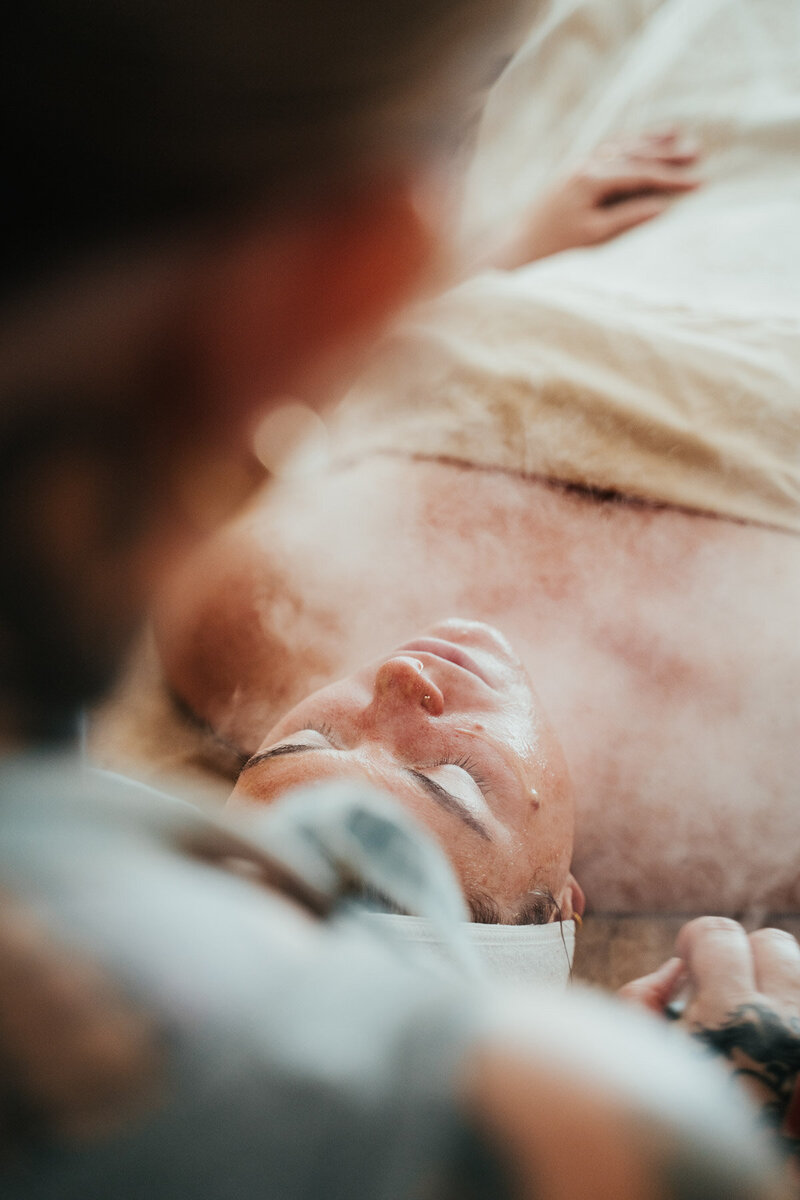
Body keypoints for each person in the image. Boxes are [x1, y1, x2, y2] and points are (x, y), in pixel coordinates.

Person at [1, 1, 797, 1198]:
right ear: (561, 910)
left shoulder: (219, 635)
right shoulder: (571, 1120)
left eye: (309, 739)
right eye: (453, 788)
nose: (396, 686)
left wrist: (482, 272)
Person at [228, 617, 585, 926]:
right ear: (563, 911)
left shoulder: (242, 638)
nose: (396, 673)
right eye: (456, 780)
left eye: (309, 738)